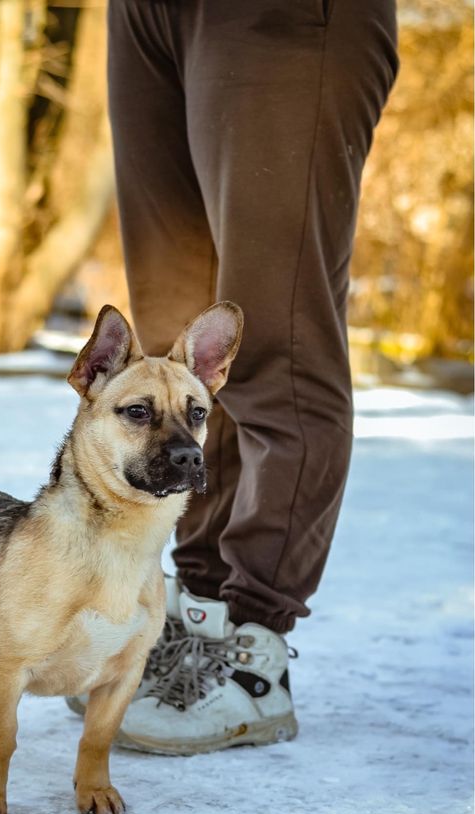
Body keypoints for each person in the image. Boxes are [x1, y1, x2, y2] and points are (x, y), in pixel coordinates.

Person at [69, 0, 399, 754]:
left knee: (274, 343)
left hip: (277, 18)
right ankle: (195, 621)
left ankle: (256, 650)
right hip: (146, 18)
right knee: (176, 356)